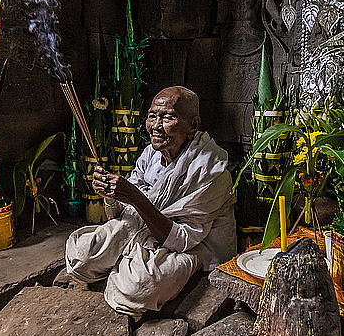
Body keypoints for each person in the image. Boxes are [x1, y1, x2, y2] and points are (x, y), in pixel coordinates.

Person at [65, 86, 237, 319]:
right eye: (152, 116)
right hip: (146, 225)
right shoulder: (151, 154)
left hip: (192, 243)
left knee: (138, 288)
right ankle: (129, 259)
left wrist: (134, 196)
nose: (155, 125)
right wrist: (110, 196)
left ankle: (141, 262)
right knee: (81, 256)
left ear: (193, 125)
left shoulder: (210, 170)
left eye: (167, 117)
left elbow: (182, 240)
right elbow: (117, 215)